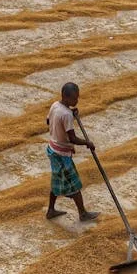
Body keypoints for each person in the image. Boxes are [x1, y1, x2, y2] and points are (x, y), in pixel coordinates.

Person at [45, 82, 99, 221]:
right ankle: (83, 214)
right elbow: (73, 138)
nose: (77, 100)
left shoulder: (55, 105)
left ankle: (51, 210)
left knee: (56, 181)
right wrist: (87, 143)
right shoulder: (67, 115)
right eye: (75, 98)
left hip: (52, 148)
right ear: (66, 97)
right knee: (74, 185)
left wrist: (71, 113)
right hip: (62, 155)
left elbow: (48, 121)